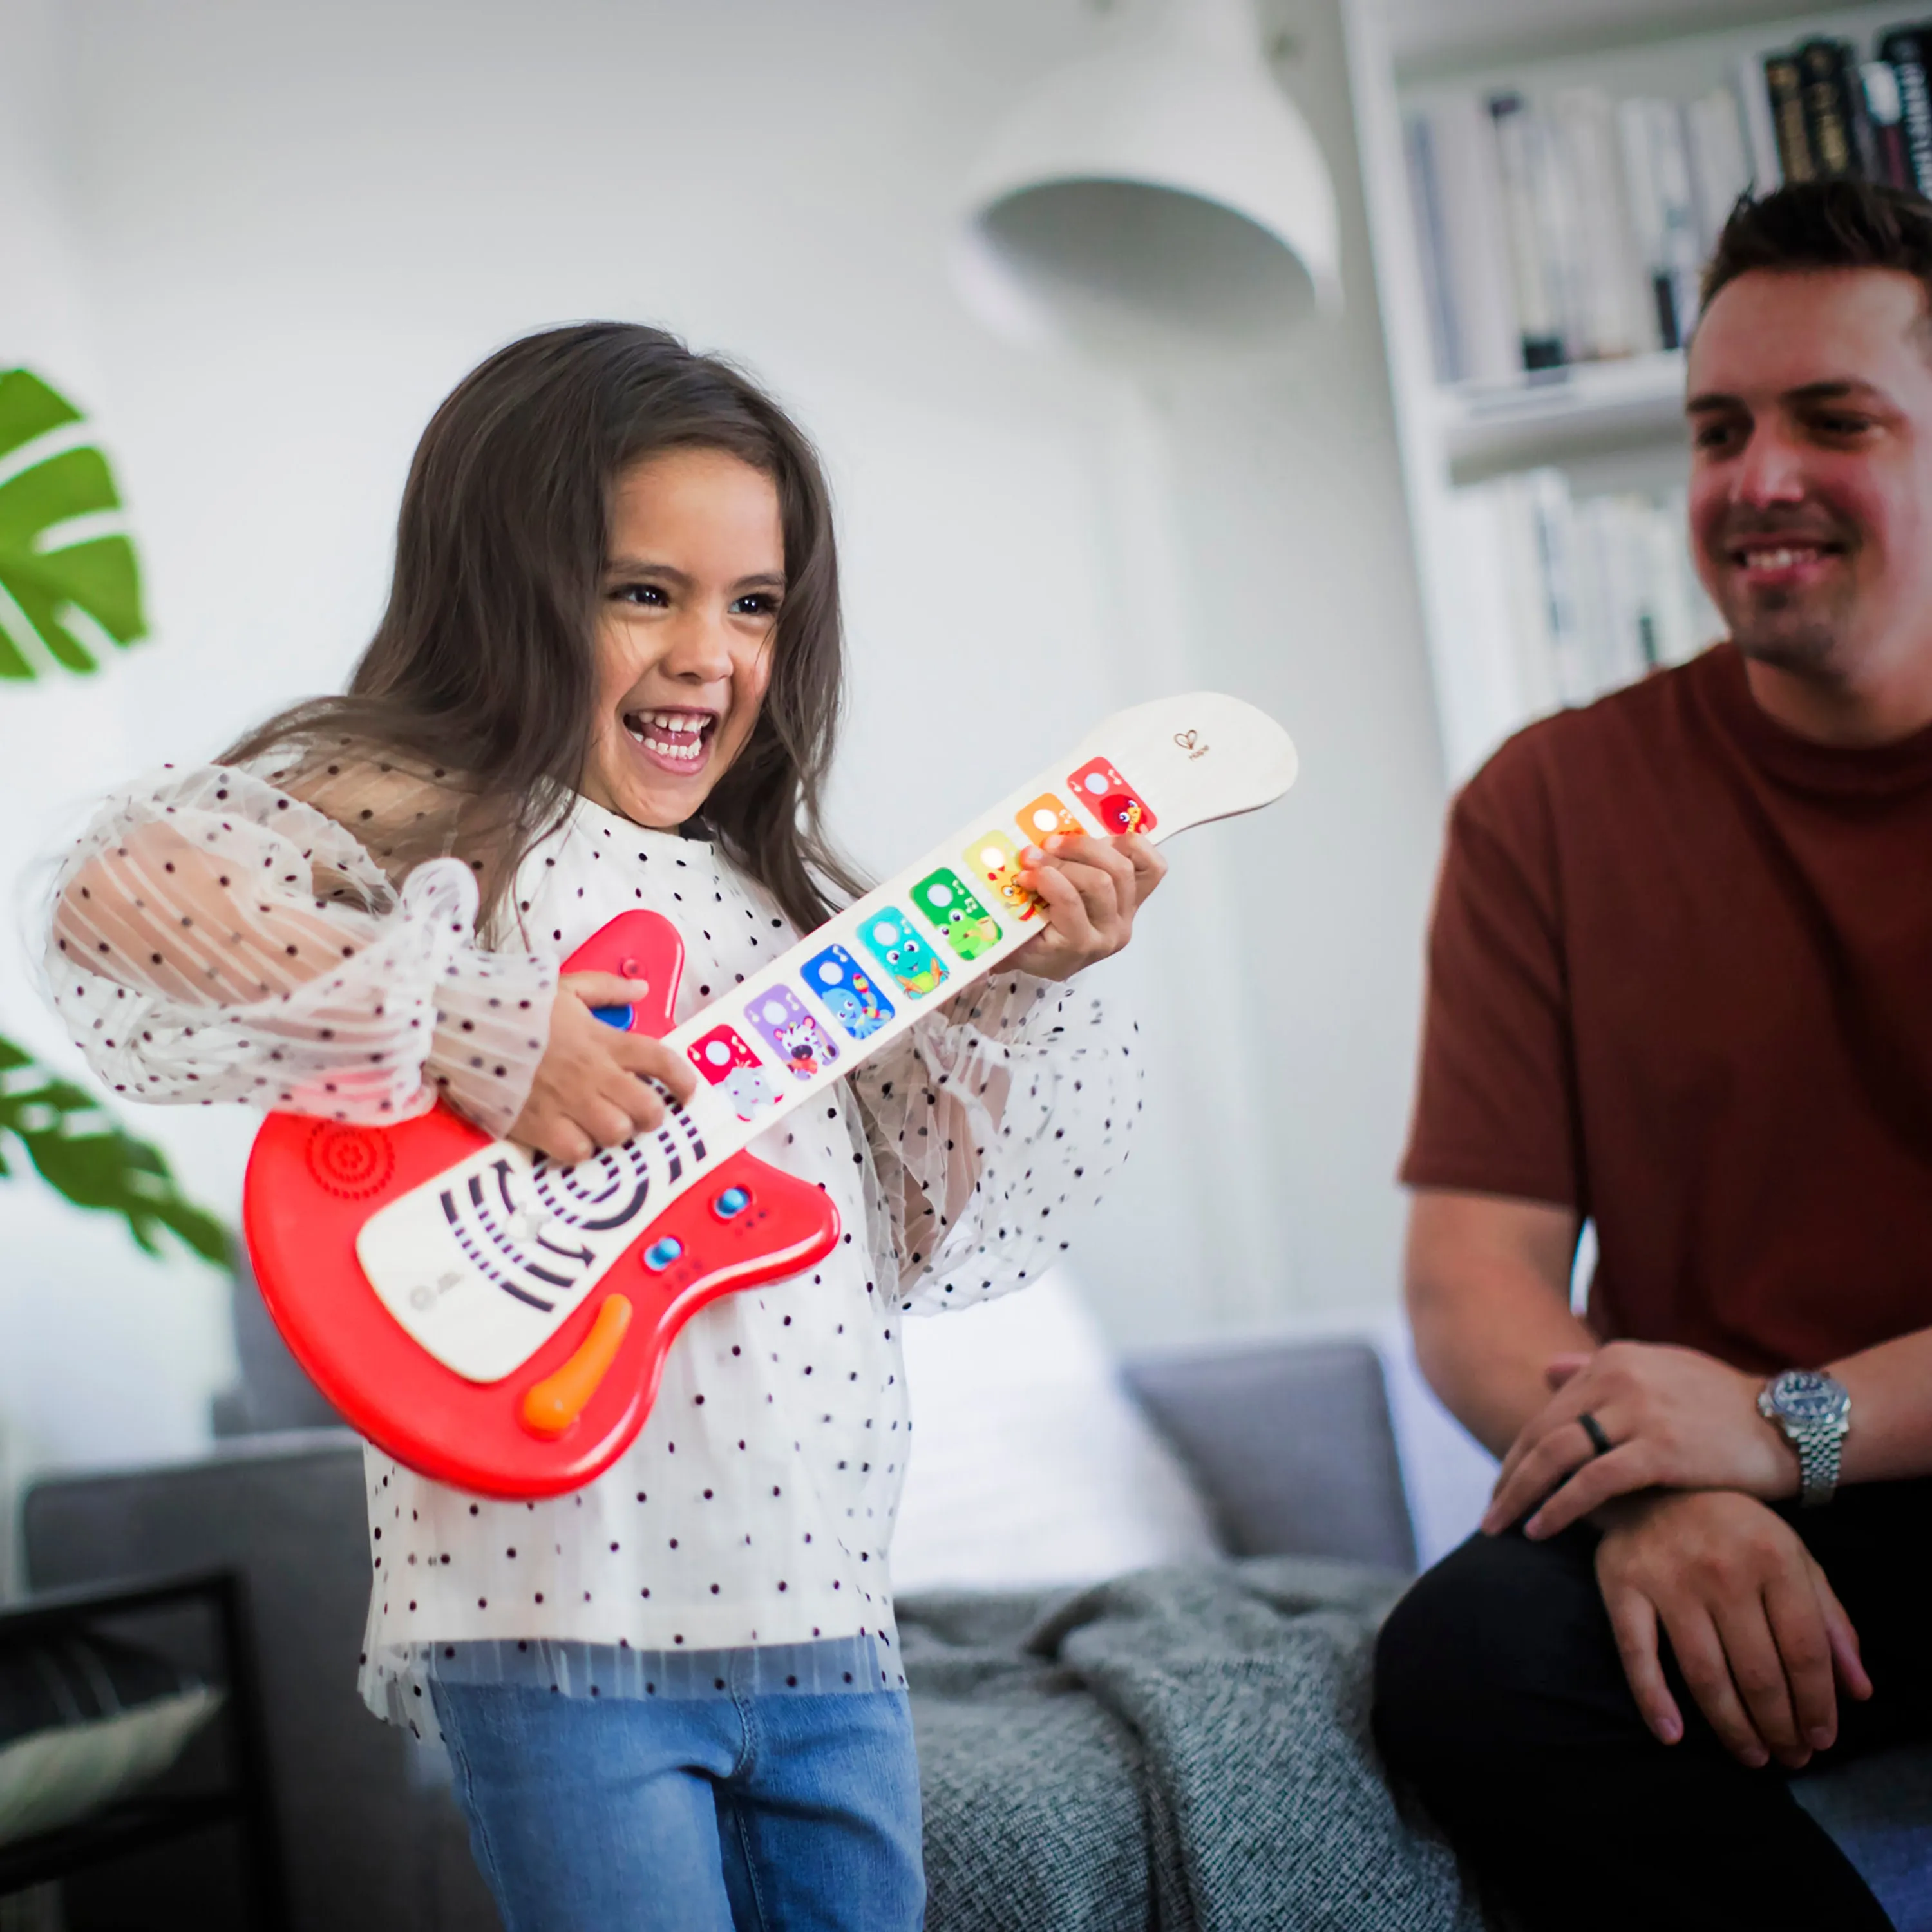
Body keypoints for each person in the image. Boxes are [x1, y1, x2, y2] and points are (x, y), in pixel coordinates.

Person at [44, 325, 1161, 1932]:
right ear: (503, 586)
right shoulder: (445, 806)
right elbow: (127, 893)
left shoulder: (792, 916)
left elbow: (897, 1232)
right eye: (646, 591)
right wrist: (480, 1026)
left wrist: (1014, 989)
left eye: (756, 603)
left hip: (830, 1616)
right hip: (561, 1615)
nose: (710, 652)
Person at [1372, 179, 1932, 1931]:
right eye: (1718, 429)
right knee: (1466, 1658)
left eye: (1833, 420)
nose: (1757, 479)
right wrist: (1641, 1488)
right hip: (1731, 1489)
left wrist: (1780, 1430)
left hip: (1826, 1441)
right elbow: (1476, 1276)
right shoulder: (1548, 806)